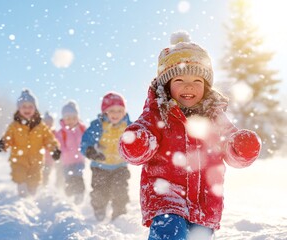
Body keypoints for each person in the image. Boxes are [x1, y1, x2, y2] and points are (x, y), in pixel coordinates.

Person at [119, 31, 262, 240]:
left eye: (197, 79)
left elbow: (231, 148)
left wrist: (241, 147)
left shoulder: (215, 116)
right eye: (179, 79)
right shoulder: (158, 113)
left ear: (206, 85)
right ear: (167, 85)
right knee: (170, 231)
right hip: (164, 195)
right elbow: (141, 142)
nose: (189, 86)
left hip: (205, 202)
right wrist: (137, 143)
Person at [0, 89, 61, 197]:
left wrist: (54, 149)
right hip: (19, 159)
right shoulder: (14, 126)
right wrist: (3, 143)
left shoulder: (41, 126)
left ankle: (31, 198)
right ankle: (22, 195)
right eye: (24, 107)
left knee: (34, 182)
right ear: (19, 109)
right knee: (20, 177)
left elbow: (49, 138)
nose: (27, 109)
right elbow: (8, 137)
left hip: (36, 160)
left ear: (35, 108)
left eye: (30, 106)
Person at [81, 92, 132, 221]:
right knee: (100, 192)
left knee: (120, 191)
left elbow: (137, 140)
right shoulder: (97, 126)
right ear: (104, 112)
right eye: (112, 110)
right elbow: (85, 141)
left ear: (124, 111)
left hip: (120, 166)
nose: (116, 114)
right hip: (100, 167)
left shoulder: (129, 126)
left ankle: (119, 215)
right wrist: (90, 151)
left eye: (120, 110)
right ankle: (99, 209)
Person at [55, 101, 86, 204]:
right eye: (68, 118)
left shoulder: (82, 129)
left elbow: (87, 140)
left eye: (74, 118)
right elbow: (58, 144)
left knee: (78, 176)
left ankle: (80, 194)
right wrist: (58, 151)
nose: (71, 121)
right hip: (67, 161)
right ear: (63, 119)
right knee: (69, 178)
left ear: (77, 118)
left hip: (79, 160)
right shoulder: (61, 133)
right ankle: (69, 194)